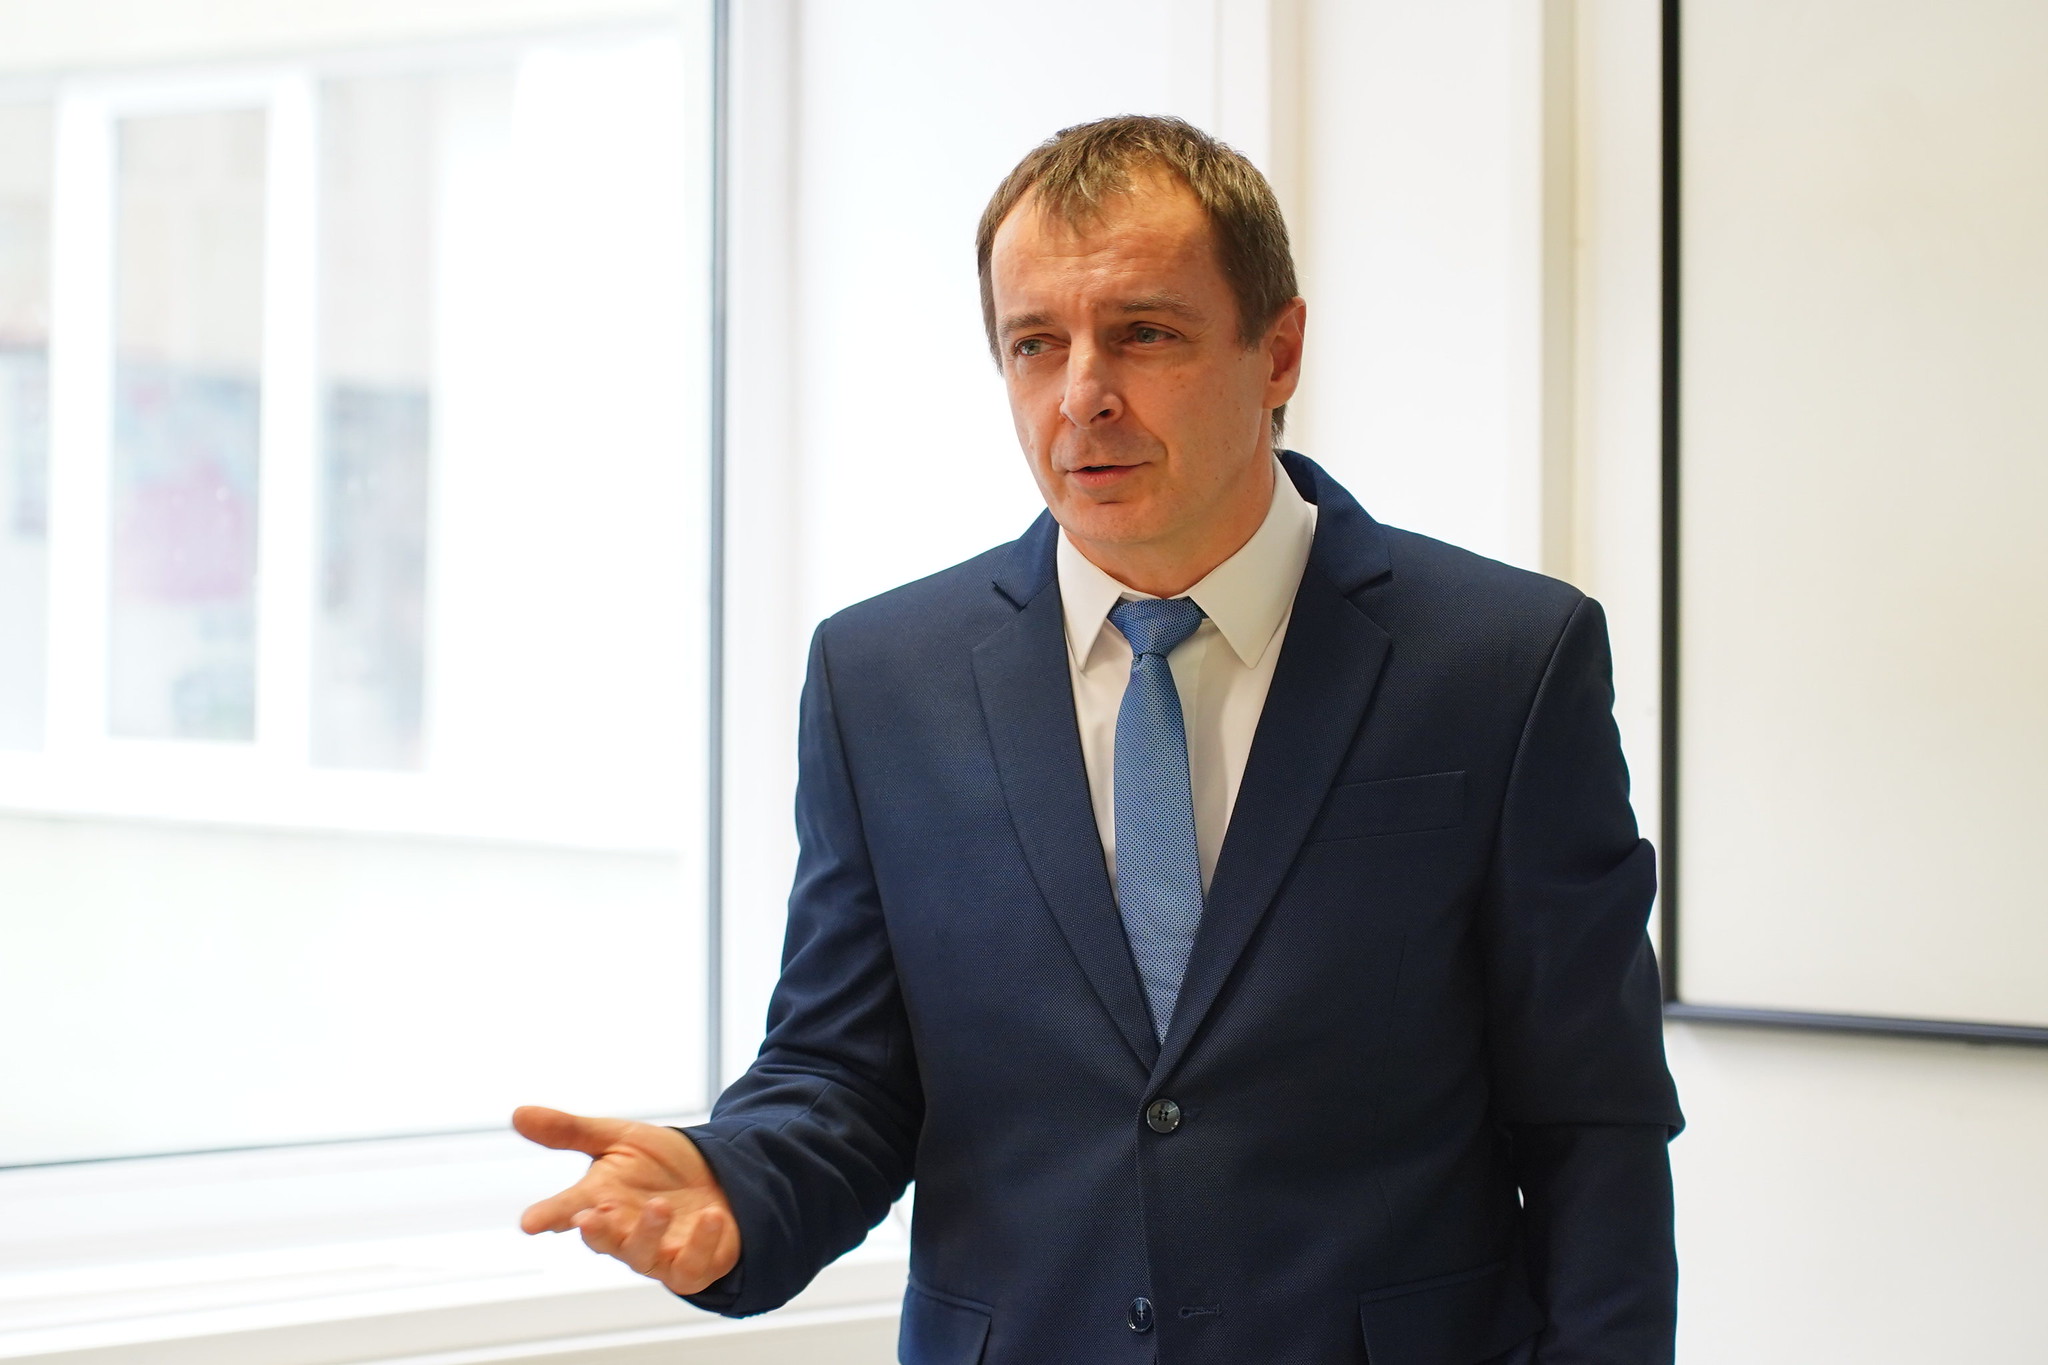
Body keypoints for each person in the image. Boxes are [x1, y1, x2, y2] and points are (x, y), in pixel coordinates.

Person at [514, 114, 1681, 1364]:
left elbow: (1591, 1127)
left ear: (1277, 350)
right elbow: (845, 1075)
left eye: (1143, 333)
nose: (1081, 396)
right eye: (1035, 344)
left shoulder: (1503, 662)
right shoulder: (881, 678)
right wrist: (734, 1187)